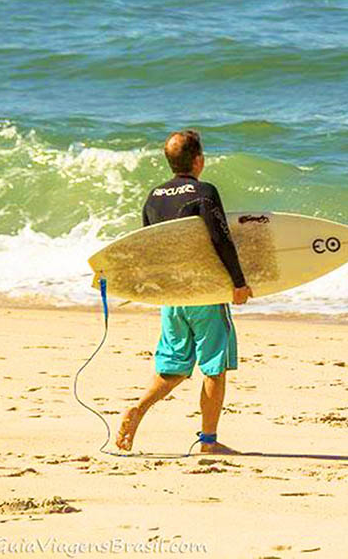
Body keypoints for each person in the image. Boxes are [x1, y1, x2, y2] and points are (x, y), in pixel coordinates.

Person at [115, 129, 253, 454]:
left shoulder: (153, 197)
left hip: (172, 297)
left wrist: (157, 290)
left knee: (174, 367)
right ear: (199, 160)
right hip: (204, 293)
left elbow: (149, 248)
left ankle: (137, 409)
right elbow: (221, 238)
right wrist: (237, 282)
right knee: (214, 367)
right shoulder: (204, 192)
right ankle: (208, 442)